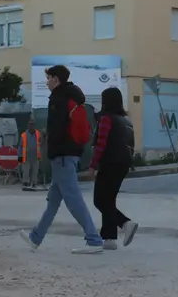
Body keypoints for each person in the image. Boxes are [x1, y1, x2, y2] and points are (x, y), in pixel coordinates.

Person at [20, 65, 104, 254]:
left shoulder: (59, 98)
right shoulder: (71, 96)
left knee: (74, 200)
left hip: (63, 155)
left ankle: (94, 240)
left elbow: (57, 129)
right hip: (69, 153)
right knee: (53, 201)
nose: (47, 81)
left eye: (49, 78)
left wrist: (50, 146)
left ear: (56, 80)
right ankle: (36, 237)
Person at [90, 87, 139, 250]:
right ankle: (109, 238)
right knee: (109, 199)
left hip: (109, 163)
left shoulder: (106, 119)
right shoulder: (126, 120)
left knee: (99, 200)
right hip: (123, 164)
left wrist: (92, 165)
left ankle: (125, 223)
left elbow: (101, 144)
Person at [18, 119, 42, 190]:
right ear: (28, 125)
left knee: (35, 171)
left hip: (35, 156)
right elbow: (20, 147)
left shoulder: (38, 134)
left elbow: (41, 143)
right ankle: (26, 183)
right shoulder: (24, 135)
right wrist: (20, 158)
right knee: (26, 170)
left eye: (32, 124)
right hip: (26, 157)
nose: (31, 126)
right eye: (30, 124)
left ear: (34, 125)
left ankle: (34, 183)